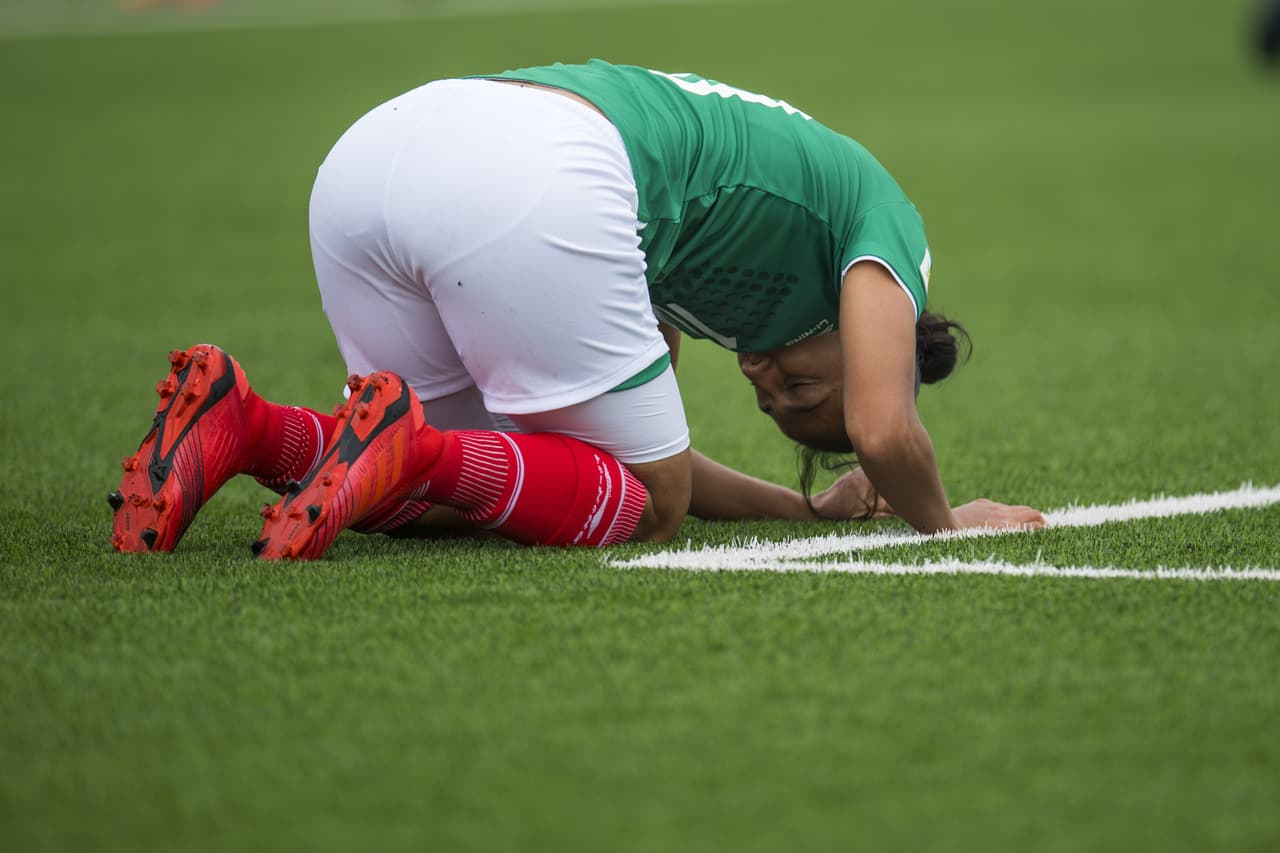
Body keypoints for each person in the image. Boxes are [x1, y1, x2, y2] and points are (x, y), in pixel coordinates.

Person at [109, 60, 1045, 559]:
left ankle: (246, 426)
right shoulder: (889, 236)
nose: (763, 379)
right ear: (886, 329)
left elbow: (636, 447)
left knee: (465, 494)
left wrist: (809, 512)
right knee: (646, 508)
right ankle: (413, 439)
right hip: (530, 171)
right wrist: (951, 524)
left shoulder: (732, 252)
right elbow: (885, 429)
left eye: (775, 401)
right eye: (802, 385)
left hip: (377, 152)